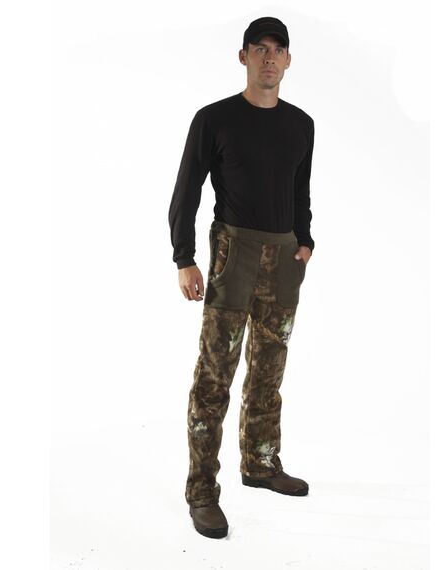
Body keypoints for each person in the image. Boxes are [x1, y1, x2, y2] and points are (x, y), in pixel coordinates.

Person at [168, 16, 315, 539]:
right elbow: (186, 191)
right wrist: (184, 258)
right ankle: (202, 491)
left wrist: (305, 240)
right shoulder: (215, 120)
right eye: (259, 49)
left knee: (270, 369)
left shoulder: (301, 124)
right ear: (244, 56)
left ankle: (261, 461)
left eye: (277, 50)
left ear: (288, 60)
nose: (269, 58)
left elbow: (300, 190)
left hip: (285, 257)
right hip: (234, 254)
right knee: (215, 376)